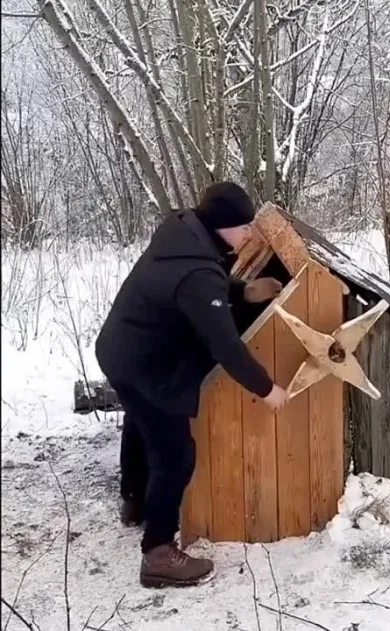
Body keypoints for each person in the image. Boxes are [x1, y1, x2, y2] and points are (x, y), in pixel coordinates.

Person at [95, 182, 288, 588]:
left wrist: (243, 290)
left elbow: (199, 284)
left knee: (140, 419)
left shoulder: (183, 234)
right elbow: (226, 347)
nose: (250, 233)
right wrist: (268, 389)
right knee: (176, 454)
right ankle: (159, 553)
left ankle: (135, 501)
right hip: (147, 363)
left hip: (120, 351)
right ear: (221, 226)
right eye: (244, 226)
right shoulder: (198, 268)